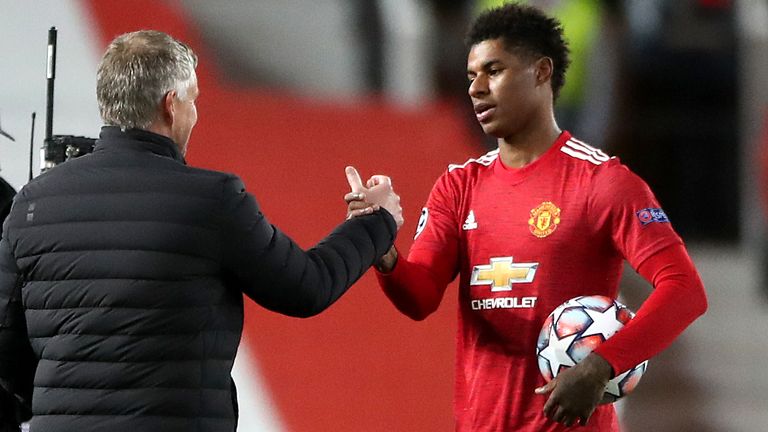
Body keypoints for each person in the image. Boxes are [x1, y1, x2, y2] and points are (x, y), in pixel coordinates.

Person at [0, 30, 403, 432]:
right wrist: (376, 221)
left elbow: (6, 346)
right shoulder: (212, 199)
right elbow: (306, 286)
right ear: (171, 106)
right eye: (193, 100)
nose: (195, 114)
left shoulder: (31, 204)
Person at [347, 4, 707, 431]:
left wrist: (600, 367)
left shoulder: (603, 182)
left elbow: (685, 291)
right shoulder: (459, 186)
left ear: (540, 72)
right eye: (471, 76)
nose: (476, 88)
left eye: (493, 71)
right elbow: (419, 297)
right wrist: (380, 246)